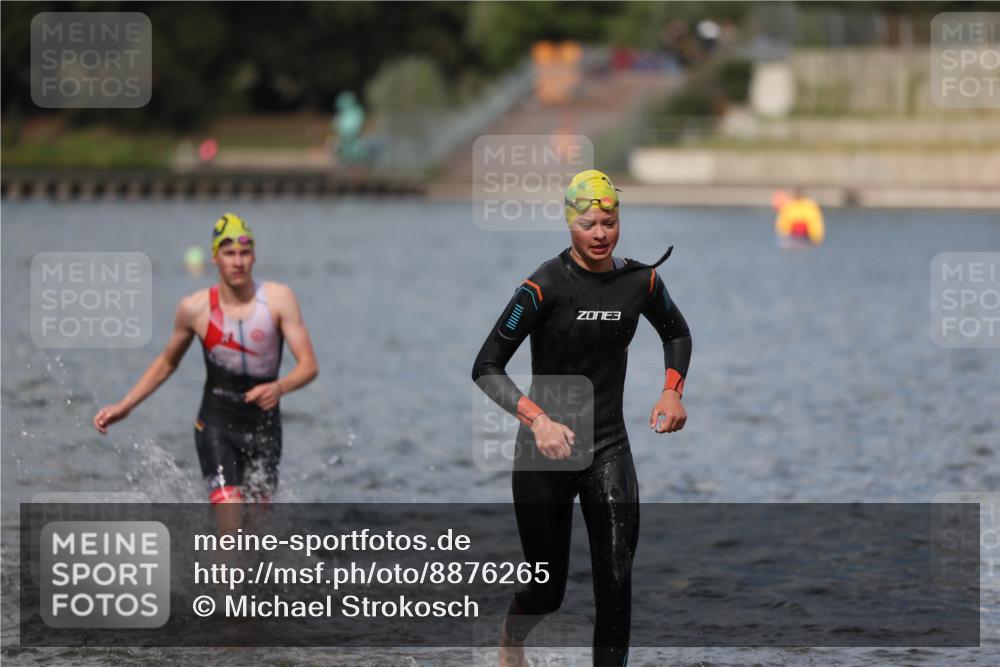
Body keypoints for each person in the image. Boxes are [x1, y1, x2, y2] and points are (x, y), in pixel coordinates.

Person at [472, 170, 692, 666]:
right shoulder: (543, 285)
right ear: (569, 223)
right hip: (543, 451)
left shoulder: (641, 281)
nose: (599, 234)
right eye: (588, 224)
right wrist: (538, 421)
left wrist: (671, 391)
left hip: (609, 444)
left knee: (616, 583)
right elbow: (485, 366)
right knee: (547, 591)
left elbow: (677, 333)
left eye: (609, 223)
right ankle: (511, 640)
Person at [93, 213, 318, 532]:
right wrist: (125, 406)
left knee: (256, 532)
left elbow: (309, 366)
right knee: (231, 524)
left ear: (254, 256)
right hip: (216, 425)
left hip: (264, 428)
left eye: (245, 253)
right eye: (229, 253)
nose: (238, 262)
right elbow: (167, 362)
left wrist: (280, 387)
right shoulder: (195, 309)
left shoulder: (279, 299)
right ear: (215, 258)